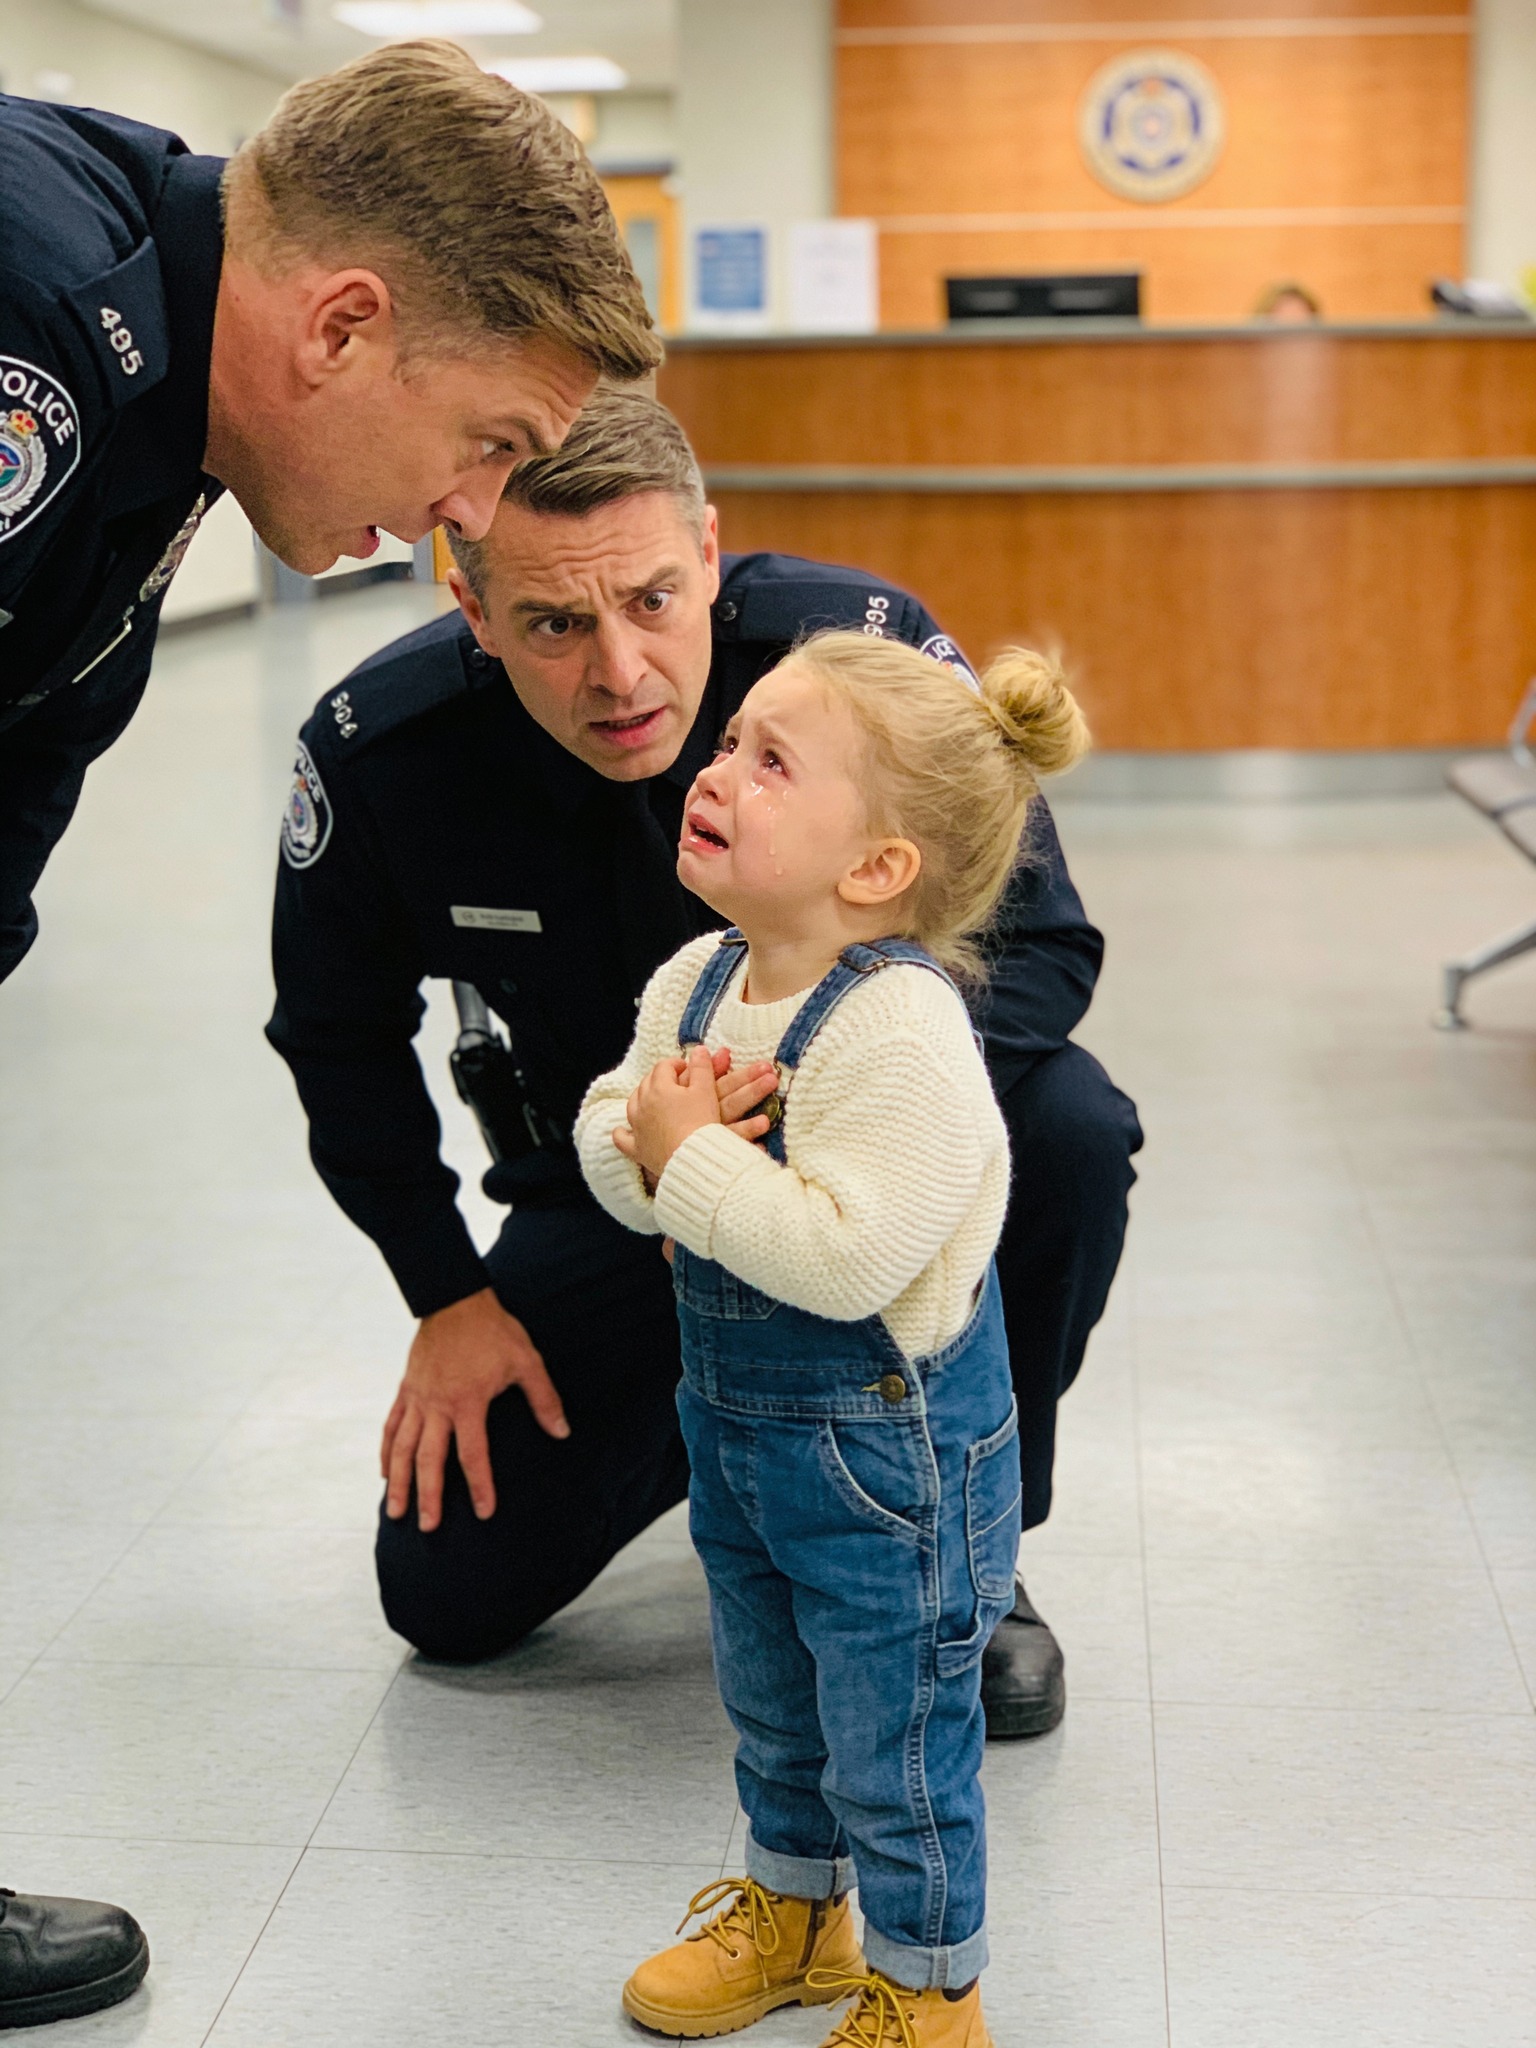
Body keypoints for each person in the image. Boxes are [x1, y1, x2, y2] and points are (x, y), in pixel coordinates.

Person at [0, 46, 656, 2030]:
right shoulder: (34, 323)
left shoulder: (165, 391)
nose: (469, 522)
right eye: (483, 443)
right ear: (347, 325)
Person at [267, 390, 1142, 1743]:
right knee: (447, 1595)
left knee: (1074, 1130)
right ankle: (765, 1460)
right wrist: (445, 1299)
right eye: (555, 625)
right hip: (615, 1185)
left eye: (656, 600)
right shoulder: (385, 758)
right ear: (472, 606)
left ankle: (957, 1541)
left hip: (854, 1164)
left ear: (712, 550)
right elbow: (336, 1035)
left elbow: (1043, 945)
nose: (623, 673)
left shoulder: (857, 660)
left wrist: (782, 1162)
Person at [576, 629, 1087, 2045]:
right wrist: (653, 1142)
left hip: (891, 1468)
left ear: (874, 870)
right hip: (738, 1439)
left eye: (773, 760)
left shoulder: (901, 1033)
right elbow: (603, 1128)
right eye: (733, 740)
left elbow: (846, 1254)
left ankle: (932, 1994)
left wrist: (689, 1161)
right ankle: (797, 1920)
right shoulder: (696, 978)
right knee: (773, 1698)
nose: (720, 769)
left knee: (900, 1740)